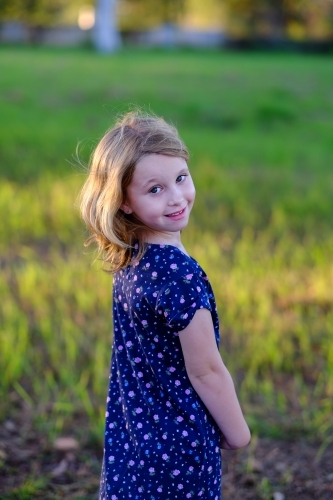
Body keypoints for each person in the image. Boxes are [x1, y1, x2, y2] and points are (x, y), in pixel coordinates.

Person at [80, 111, 250, 500]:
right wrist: (238, 433)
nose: (176, 197)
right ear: (122, 201)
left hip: (134, 435)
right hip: (179, 446)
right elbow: (206, 370)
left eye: (181, 178)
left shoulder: (132, 255)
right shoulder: (179, 275)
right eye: (154, 189)